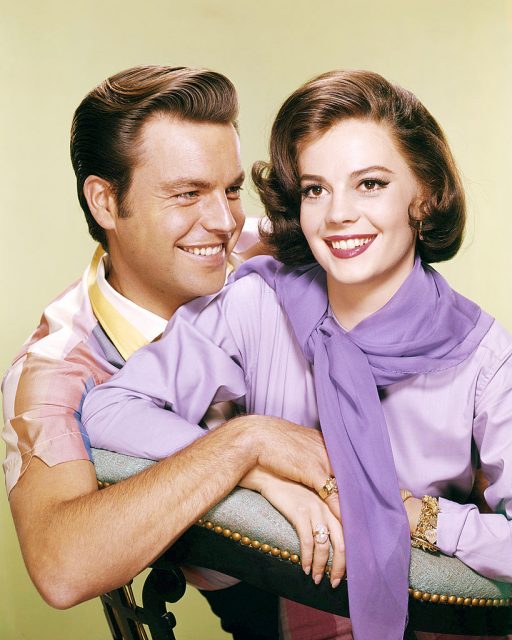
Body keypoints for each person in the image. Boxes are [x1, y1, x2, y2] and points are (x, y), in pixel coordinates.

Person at [82, 70, 512, 640]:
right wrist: (254, 464)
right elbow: (109, 411)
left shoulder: (484, 357)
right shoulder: (257, 305)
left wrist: (424, 519)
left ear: (424, 195)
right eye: (316, 188)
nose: (338, 214)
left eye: (371, 184)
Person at [1, 65, 341, 639]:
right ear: (105, 202)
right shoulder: (55, 370)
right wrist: (244, 446)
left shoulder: (274, 245)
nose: (225, 221)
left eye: (231, 189)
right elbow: (61, 566)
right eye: (187, 194)